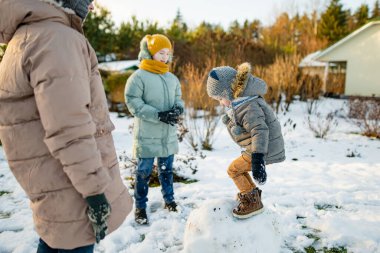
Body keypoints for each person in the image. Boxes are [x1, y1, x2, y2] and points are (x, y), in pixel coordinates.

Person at [0, 0, 133, 251]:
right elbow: (70, 128)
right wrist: (94, 191)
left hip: (52, 182)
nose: (92, 6)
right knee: (71, 241)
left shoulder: (25, 38)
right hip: (74, 187)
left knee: (54, 241)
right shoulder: (57, 40)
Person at [206, 62, 285, 219]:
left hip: (262, 149)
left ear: (229, 92)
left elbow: (259, 131)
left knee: (233, 170)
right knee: (238, 169)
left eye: (220, 98)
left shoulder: (248, 106)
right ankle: (251, 195)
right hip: (259, 147)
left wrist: (257, 159)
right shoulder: (243, 102)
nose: (221, 103)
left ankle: (251, 201)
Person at [125, 34, 184, 225]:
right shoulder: (138, 77)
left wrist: (178, 108)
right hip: (148, 135)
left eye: (167, 53)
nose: (165, 56)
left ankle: (169, 200)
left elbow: (178, 98)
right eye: (161, 52)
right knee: (144, 172)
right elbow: (133, 102)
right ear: (150, 52)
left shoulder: (172, 78)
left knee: (166, 170)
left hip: (167, 135)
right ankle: (140, 207)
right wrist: (158, 114)